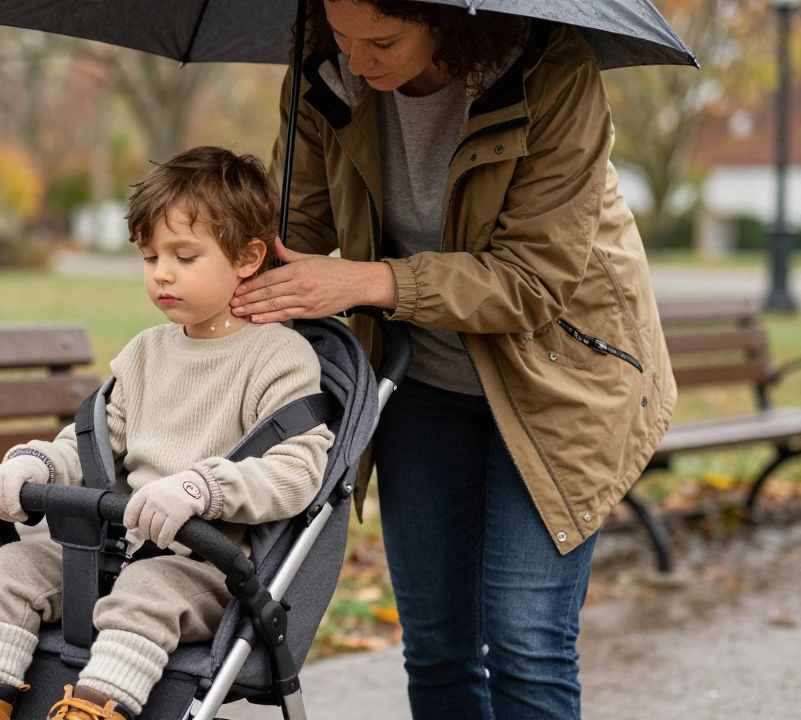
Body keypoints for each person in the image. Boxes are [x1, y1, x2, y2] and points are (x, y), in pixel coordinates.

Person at [228, 2, 675, 718]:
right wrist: (216, 257)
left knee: (526, 638)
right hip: (419, 378)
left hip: (559, 377)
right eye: (340, 35)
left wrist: (372, 280)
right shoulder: (324, 75)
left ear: (448, 21)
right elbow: (297, 230)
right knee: (436, 643)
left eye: (382, 40)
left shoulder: (554, 75)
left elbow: (533, 281)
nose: (359, 60)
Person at [0, 146, 335, 720]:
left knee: (148, 594)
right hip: (114, 550)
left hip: (206, 568)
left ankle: (97, 707)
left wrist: (203, 488)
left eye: (184, 256)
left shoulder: (279, 359)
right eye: (150, 257)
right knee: (15, 567)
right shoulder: (145, 354)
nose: (162, 273)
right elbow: (93, 441)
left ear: (248, 257)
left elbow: (297, 472)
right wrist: (35, 466)